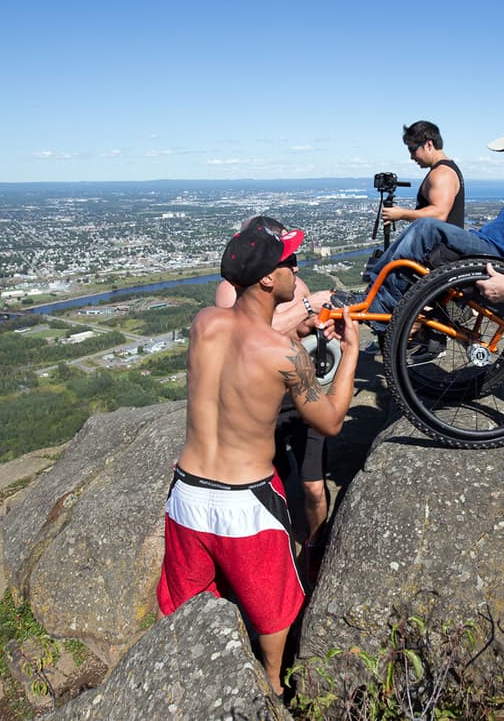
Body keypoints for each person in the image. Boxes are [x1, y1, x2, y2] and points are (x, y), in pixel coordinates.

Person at [157, 217, 359, 696]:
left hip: (185, 497)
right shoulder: (284, 354)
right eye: (289, 261)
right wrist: (350, 353)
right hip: (245, 506)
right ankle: (270, 691)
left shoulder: (204, 324)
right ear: (269, 278)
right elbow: (330, 420)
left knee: (186, 611)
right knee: (273, 612)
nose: (295, 267)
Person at [338, 114, 504, 407]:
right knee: (421, 237)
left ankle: (375, 305)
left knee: (426, 229)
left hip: (492, 262)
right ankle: (375, 299)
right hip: (484, 252)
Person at [214, 233, 335, 571]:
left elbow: (303, 332)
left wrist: (318, 327)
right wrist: (305, 309)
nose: (295, 265)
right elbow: (246, 337)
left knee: (312, 484)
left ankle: (314, 543)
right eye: (287, 259)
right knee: (272, 480)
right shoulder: (231, 292)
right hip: (261, 403)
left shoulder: (298, 286)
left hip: (300, 396)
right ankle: (278, 542)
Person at [380, 120, 465, 228]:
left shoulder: (442, 173)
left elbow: (439, 214)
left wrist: (402, 214)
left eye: (413, 150)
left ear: (429, 145)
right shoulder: (446, 169)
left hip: (441, 244)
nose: (411, 157)